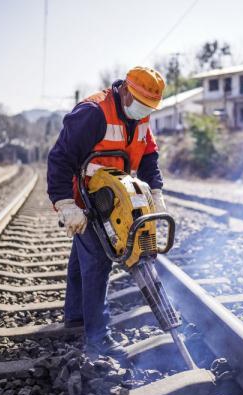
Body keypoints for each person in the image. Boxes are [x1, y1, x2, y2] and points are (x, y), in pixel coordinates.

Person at [47, 66, 167, 359]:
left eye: (149, 107)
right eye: (140, 103)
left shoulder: (141, 116)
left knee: (82, 255)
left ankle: (76, 316)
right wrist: (66, 205)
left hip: (115, 194)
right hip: (86, 198)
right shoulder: (92, 113)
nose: (143, 111)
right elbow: (59, 158)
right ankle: (98, 338)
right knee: (98, 258)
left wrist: (156, 191)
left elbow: (148, 155)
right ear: (125, 90)